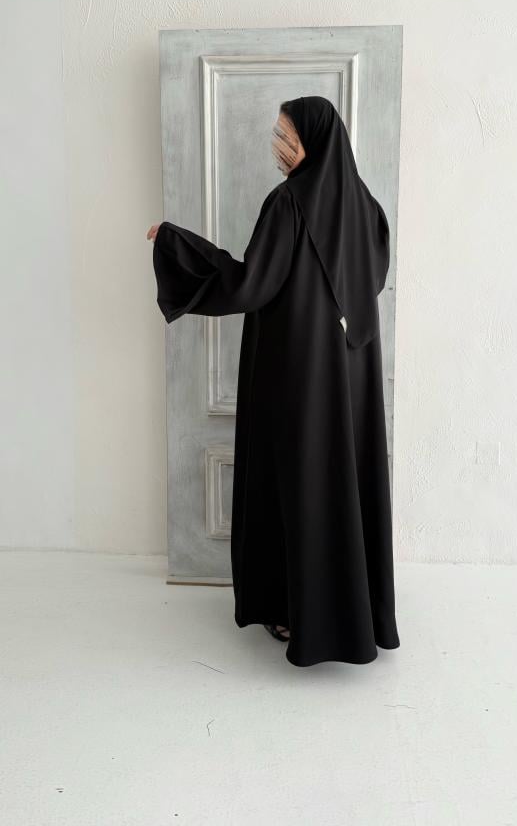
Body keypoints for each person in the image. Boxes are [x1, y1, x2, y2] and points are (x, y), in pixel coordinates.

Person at [148, 95, 400, 667]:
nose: (278, 146)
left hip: (297, 370)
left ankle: (294, 611)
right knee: (343, 477)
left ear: (313, 142)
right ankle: (354, 614)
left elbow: (250, 285)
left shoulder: (288, 203)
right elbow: (372, 278)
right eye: (278, 135)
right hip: (352, 372)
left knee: (296, 477)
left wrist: (173, 242)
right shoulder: (367, 206)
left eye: (287, 137)